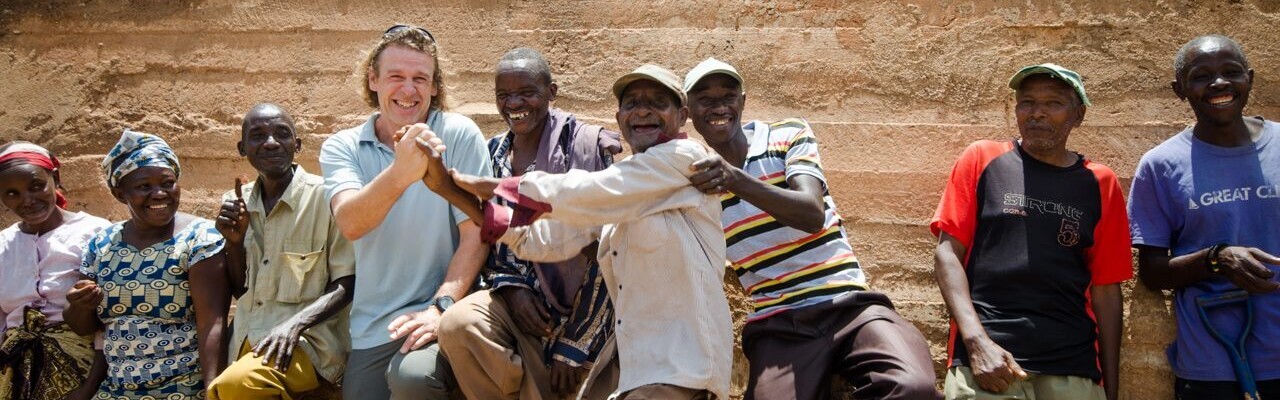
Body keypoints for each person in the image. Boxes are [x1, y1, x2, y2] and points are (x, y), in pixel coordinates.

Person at [421, 64, 732, 400]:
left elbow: (587, 190)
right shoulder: (621, 193)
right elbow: (538, 241)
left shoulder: (686, 159)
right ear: (619, 117)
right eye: (632, 103)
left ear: (682, 115)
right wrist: (450, 191)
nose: (643, 110)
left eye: (658, 102)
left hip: (685, 369)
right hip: (643, 371)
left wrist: (499, 186)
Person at [680, 58, 939, 400]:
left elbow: (811, 213)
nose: (719, 107)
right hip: (779, 321)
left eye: (728, 96)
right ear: (688, 111)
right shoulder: (691, 180)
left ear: (743, 101)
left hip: (848, 303)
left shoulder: (787, 134)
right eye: (706, 99)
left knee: (913, 387)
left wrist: (734, 179)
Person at [930, 64, 1130, 400]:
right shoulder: (982, 158)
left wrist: (1111, 390)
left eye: (1054, 103)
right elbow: (947, 253)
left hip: (1072, 369)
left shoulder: (1099, 182)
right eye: (1027, 103)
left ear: (1078, 115)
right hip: (988, 368)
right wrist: (977, 343)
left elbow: (1107, 291)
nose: (1037, 113)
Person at [436, 48, 621, 400]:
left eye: (527, 92)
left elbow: (606, 253)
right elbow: (488, 234)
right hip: (519, 312)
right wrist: (509, 287)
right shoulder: (492, 154)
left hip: (586, 317)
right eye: (503, 95)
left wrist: (574, 342)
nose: (514, 103)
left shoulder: (586, 149)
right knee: (459, 325)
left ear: (551, 92)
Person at [317, 24, 490, 400]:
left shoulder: (458, 134)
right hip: (373, 327)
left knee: (412, 379)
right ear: (373, 80)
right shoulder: (342, 147)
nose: (408, 90)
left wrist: (440, 307)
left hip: (441, 312)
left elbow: (478, 232)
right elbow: (350, 223)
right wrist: (401, 172)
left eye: (420, 79)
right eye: (396, 76)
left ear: (435, 87)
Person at [1128, 35, 1280, 399]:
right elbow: (1152, 273)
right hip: (1212, 363)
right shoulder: (1160, 166)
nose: (1219, 83)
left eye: (1231, 72)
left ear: (1250, 79)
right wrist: (1218, 258)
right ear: (1179, 89)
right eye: (1201, 76)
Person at [64, 130, 231, 399]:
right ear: (120, 193)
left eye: (168, 183)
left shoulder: (199, 238)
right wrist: (78, 305)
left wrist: (213, 391)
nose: (159, 194)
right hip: (116, 389)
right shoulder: (101, 245)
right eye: (144, 187)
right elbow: (87, 327)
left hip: (183, 387)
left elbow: (212, 322)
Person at [207, 104, 356, 399]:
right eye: (258, 135)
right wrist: (233, 243)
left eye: (282, 134)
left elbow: (349, 282)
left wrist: (294, 325)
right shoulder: (236, 203)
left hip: (306, 343)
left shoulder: (328, 198)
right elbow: (241, 289)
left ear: (297, 145)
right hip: (249, 338)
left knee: (235, 386)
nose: (271, 142)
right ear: (242, 148)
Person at [0, 142, 109, 400]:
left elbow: (109, 322)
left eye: (36, 186)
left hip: (84, 372)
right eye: (11, 193)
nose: (27, 200)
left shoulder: (95, 233)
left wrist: (90, 387)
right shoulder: (3, 245)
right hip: (14, 375)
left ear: (55, 178)